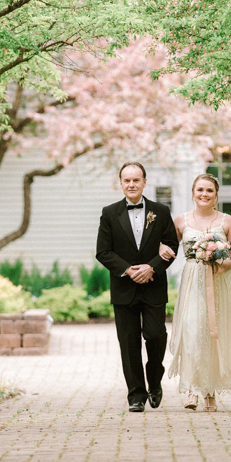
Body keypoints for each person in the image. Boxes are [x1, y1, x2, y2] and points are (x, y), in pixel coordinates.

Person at [96, 162, 178, 413]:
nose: (131, 185)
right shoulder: (109, 213)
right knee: (129, 343)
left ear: (144, 182)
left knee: (155, 336)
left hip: (153, 286)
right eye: (126, 180)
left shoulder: (161, 211)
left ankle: (155, 380)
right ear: (120, 183)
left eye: (136, 180)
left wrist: (151, 267)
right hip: (124, 288)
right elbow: (103, 251)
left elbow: (171, 245)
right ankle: (136, 395)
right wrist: (129, 270)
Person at [159, 173, 231, 412]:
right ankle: (189, 389)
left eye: (209, 190)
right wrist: (161, 247)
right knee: (192, 329)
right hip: (192, 280)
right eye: (200, 190)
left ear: (216, 195)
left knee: (212, 332)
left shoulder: (227, 221)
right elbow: (167, 246)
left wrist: (220, 264)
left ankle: (209, 391)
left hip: (218, 280)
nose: (204, 194)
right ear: (193, 193)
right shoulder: (180, 221)